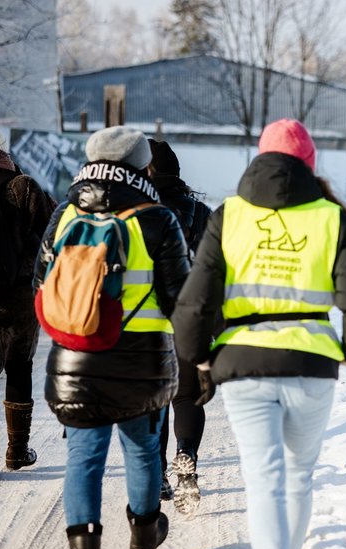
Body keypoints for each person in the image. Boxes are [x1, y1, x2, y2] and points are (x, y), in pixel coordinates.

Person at [171, 118, 346, 549]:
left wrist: (198, 360)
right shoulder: (332, 218)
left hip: (243, 366)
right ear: (308, 164)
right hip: (311, 365)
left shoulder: (229, 216)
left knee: (262, 480)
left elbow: (193, 303)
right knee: (299, 475)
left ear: (259, 159)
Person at [34, 126, 190, 549]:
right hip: (142, 359)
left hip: (78, 354)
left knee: (84, 459)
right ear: (144, 166)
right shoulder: (158, 218)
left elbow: (42, 281)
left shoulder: (65, 212)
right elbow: (179, 297)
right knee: (143, 450)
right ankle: (144, 537)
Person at [0, 115, 52, 480]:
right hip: (18, 300)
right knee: (19, 368)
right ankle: (17, 452)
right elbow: (50, 236)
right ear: (1, 149)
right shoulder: (24, 186)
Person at [147, 139, 214, 514]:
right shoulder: (201, 213)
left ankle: (156, 474)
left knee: (155, 401)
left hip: (146, 322)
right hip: (189, 321)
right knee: (186, 396)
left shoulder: (136, 211)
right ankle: (186, 455)